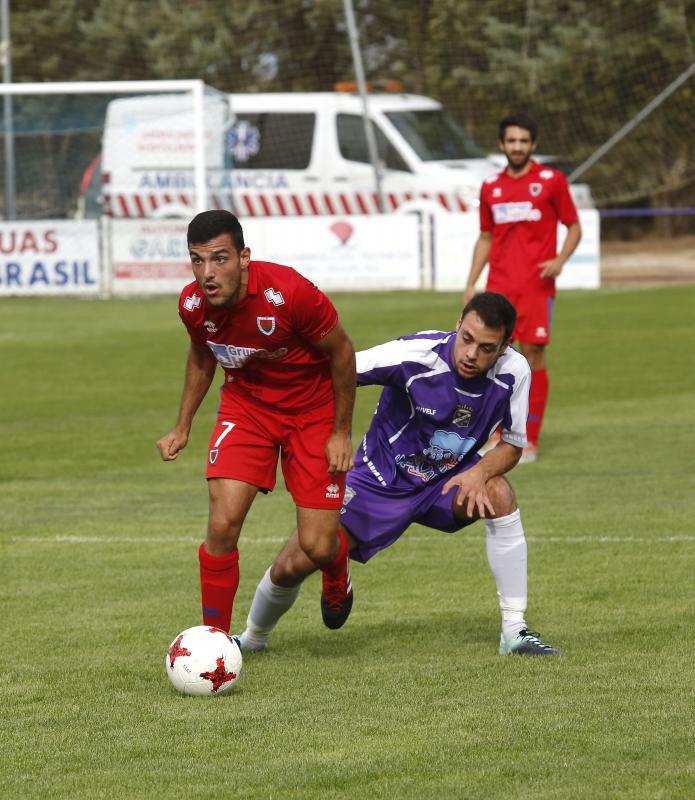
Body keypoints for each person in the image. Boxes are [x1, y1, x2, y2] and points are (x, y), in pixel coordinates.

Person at [237, 292, 559, 657]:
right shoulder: (414, 355)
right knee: (293, 564)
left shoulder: (514, 372)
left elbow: (513, 445)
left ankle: (514, 632)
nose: (471, 354)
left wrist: (480, 472)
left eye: (486, 347)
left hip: (447, 482)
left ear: (504, 347)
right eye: (466, 339)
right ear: (458, 325)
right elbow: (340, 368)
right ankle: (252, 639)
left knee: (499, 493)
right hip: (377, 481)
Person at [156, 210, 356, 634]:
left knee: (317, 545)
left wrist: (340, 432)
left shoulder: (289, 292)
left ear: (244, 257)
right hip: (246, 410)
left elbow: (342, 353)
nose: (207, 273)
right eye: (197, 260)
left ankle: (336, 572)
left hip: (312, 412)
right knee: (221, 522)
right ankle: (215, 641)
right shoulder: (192, 305)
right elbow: (201, 355)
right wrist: (182, 425)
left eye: (219, 259)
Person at [464, 113, 581, 462]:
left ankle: (527, 437)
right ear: (502, 144)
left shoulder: (551, 180)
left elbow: (573, 226)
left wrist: (559, 259)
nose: (517, 147)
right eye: (511, 141)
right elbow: (485, 237)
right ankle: (497, 433)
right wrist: (471, 283)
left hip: (535, 287)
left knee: (533, 357)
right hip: (499, 288)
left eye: (523, 141)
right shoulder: (491, 188)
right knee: (491, 359)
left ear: (534, 144)